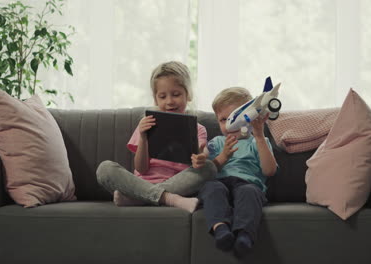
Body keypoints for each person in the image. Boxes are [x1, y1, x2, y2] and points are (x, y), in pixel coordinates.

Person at [96, 61, 216, 213]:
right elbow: (141, 168)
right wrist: (143, 137)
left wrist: (201, 156)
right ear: (155, 99)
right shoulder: (146, 125)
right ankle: (169, 199)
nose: (170, 101)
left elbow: (202, 153)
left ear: (188, 94)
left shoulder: (198, 129)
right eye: (162, 96)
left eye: (176, 94)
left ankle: (138, 199)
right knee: (104, 169)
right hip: (142, 183)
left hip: (178, 185)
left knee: (210, 167)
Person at [198, 87, 277, 257]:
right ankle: (221, 229)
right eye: (223, 119)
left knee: (248, 192)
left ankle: (244, 235)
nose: (228, 124)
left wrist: (260, 137)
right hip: (220, 183)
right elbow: (207, 169)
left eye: (234, 117)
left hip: (248, 184)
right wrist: (214, 155)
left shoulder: (257, 142)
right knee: (211, 188)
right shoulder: (218, 142)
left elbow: (269, 171)